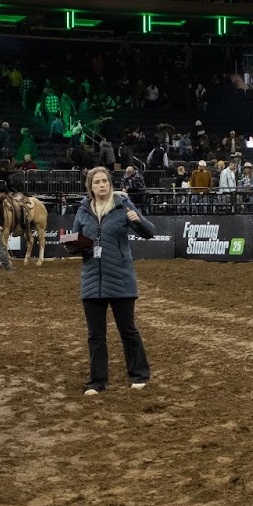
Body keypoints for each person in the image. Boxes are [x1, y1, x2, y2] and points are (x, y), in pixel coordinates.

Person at [72, 166, 155, 395]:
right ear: (90, 187)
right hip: (91, 281)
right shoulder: (82, 211)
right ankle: (97, 381)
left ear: (110, 184)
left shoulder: (123, 205)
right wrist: (74, 244)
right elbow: (75, 238)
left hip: (120, 279)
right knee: (95, 335)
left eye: (105, 181)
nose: (101, 185)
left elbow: (149, 232)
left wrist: (137, 220)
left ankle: (139, 375)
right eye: (97, 182)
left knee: (127, 330)